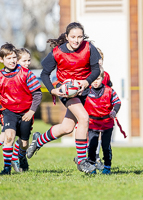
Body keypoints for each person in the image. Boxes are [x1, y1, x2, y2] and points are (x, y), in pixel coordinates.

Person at [27, 22, 101, 174]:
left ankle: (38, 140)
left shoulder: (89, 48)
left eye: (80, 37)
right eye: (73, 37)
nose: (76, 40)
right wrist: (53, 90)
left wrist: (86, 82)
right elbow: (44, 74)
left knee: (67, 128)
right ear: (66, 37)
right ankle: (81, 161)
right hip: (67, 92)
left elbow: (96, 70)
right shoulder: (57, 52)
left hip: (83, 91)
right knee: (84, 117)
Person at [0, 43, 42, 175]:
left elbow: (37, 94)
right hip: (9, 111)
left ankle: (21, 157)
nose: (12, 61)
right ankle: (7, 168)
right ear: (2, 60)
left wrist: (31, 111)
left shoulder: (26, 74)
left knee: (24, 143)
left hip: (26, 112)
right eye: (8, 58)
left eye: (13, 57)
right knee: (9, 137)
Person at [84, 65, 121, 174]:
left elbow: (117, 102)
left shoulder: (109, 91)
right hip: (92, 123)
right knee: (92, 145)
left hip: (107, 123)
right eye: (93, 79)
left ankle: (107, 167)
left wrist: (114, 111)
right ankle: (91, 166)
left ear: (102, 78)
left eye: (98, 79)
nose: (95, 81)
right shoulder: (86, 91)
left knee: (106, 146)